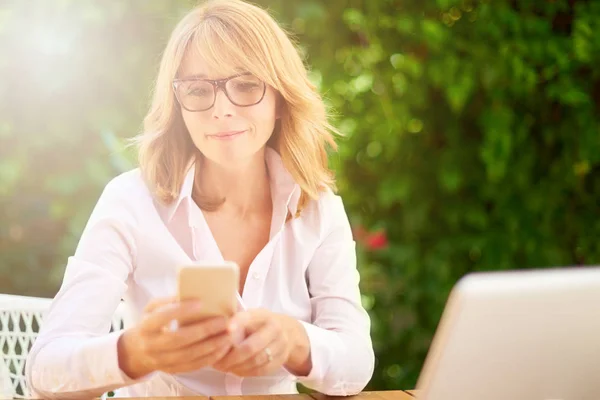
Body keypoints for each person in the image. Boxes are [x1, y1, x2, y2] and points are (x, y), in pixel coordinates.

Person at [25, 0, 375, 398]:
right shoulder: (130, 201)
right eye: (197, 89)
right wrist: (136, 351)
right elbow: (45, 371)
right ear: (178, 107)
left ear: (280, 99)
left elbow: (355, 365)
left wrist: (295, 342)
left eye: (246, 85)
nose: (221, 110)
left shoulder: (318, 209)